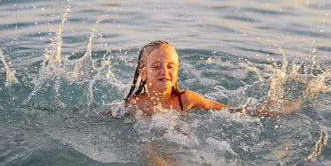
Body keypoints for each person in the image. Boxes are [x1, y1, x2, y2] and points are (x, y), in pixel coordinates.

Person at [124, 40, 302, 116]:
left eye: (171, 66)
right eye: (156, 66)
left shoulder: (185, 100)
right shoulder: (135, 103)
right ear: (143, 73)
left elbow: (228, 110)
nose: (165, 71)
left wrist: (266, 110)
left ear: (177, 72)